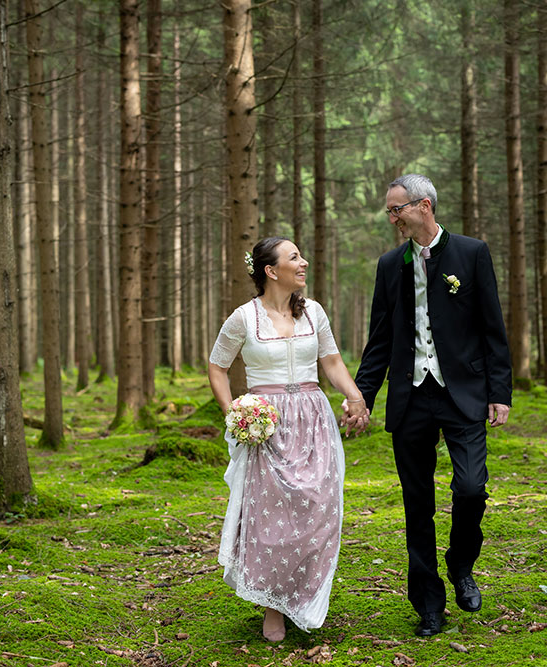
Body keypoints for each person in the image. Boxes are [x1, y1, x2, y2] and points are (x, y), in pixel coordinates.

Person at [351, 174, 512, 637]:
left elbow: (492, 328)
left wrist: (499, 392)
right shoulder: (389, 265)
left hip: (462, 393)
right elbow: (379, 340)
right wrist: (363, 397)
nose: (391, 217)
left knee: (470, 488)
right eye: (388, 210)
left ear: (424, 206)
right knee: (416, 505)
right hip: (410, 398)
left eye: (395, 209)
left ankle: (462, 563)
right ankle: (428, 604)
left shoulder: (472, 253)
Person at [209, 237, 369, 642]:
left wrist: (354, 397)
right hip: (268, 426)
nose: (303, 263)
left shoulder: (313, 312)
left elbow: (331, 361)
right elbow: (217, 367)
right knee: (270, 519)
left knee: (319, 510)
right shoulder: (244, 318)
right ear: (270, 270)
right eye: (294, 257)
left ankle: (306, 595)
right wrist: (235, 412)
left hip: (314, 420)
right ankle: (273, 606)